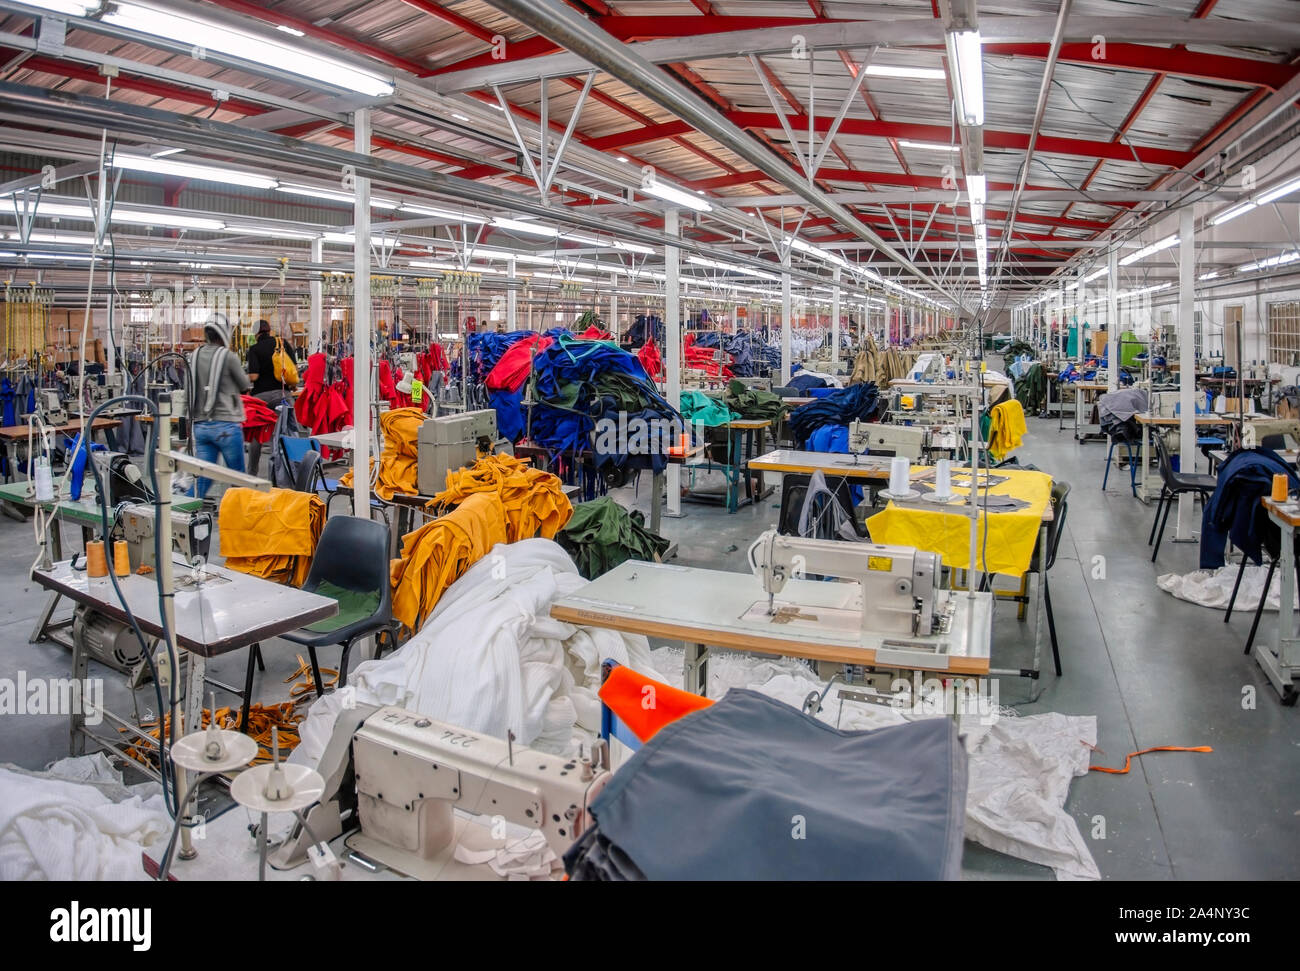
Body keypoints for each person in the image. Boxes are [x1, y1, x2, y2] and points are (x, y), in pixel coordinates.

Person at [188, 313, 251, 500]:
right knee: (238, 477)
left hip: (200, 426)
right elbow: (244, 385)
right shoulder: (228, 357)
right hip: (226, 426)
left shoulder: (193, 356)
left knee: (203, 478)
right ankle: (241, 518)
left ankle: (184, 512)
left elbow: (188, 390)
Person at [245, 319, 295, 475]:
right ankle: (287, 472)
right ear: (269, 330)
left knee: (256, 435)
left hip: (261, 397)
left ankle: (252, 473)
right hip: (283, 394)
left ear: (256, 333)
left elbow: (253, 376)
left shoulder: (254, 349)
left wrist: (241, 379)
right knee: (288, 432)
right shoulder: (282, 343)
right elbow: (292, 369)